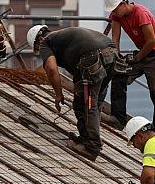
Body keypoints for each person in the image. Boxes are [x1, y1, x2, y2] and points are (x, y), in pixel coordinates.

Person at [27, 25, 117, 161]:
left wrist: (58, 94)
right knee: (94, 102)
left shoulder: (46, 42)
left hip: (93, 59)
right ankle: (87, 138)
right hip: (112, 56)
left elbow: (51, 69)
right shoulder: (62, 37)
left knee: (86, 104)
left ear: (38, 40)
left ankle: (92, 147)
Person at [104, 0, 155, 133]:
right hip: (142, 54)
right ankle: (118, 117)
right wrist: (116, 57)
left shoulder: (141, 13)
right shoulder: (117, 16)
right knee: (119, 76)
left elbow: (151, 41)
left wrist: (137, 58)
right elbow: (115, 38)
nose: (114, 13)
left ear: (124, 4)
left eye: (115, 9)